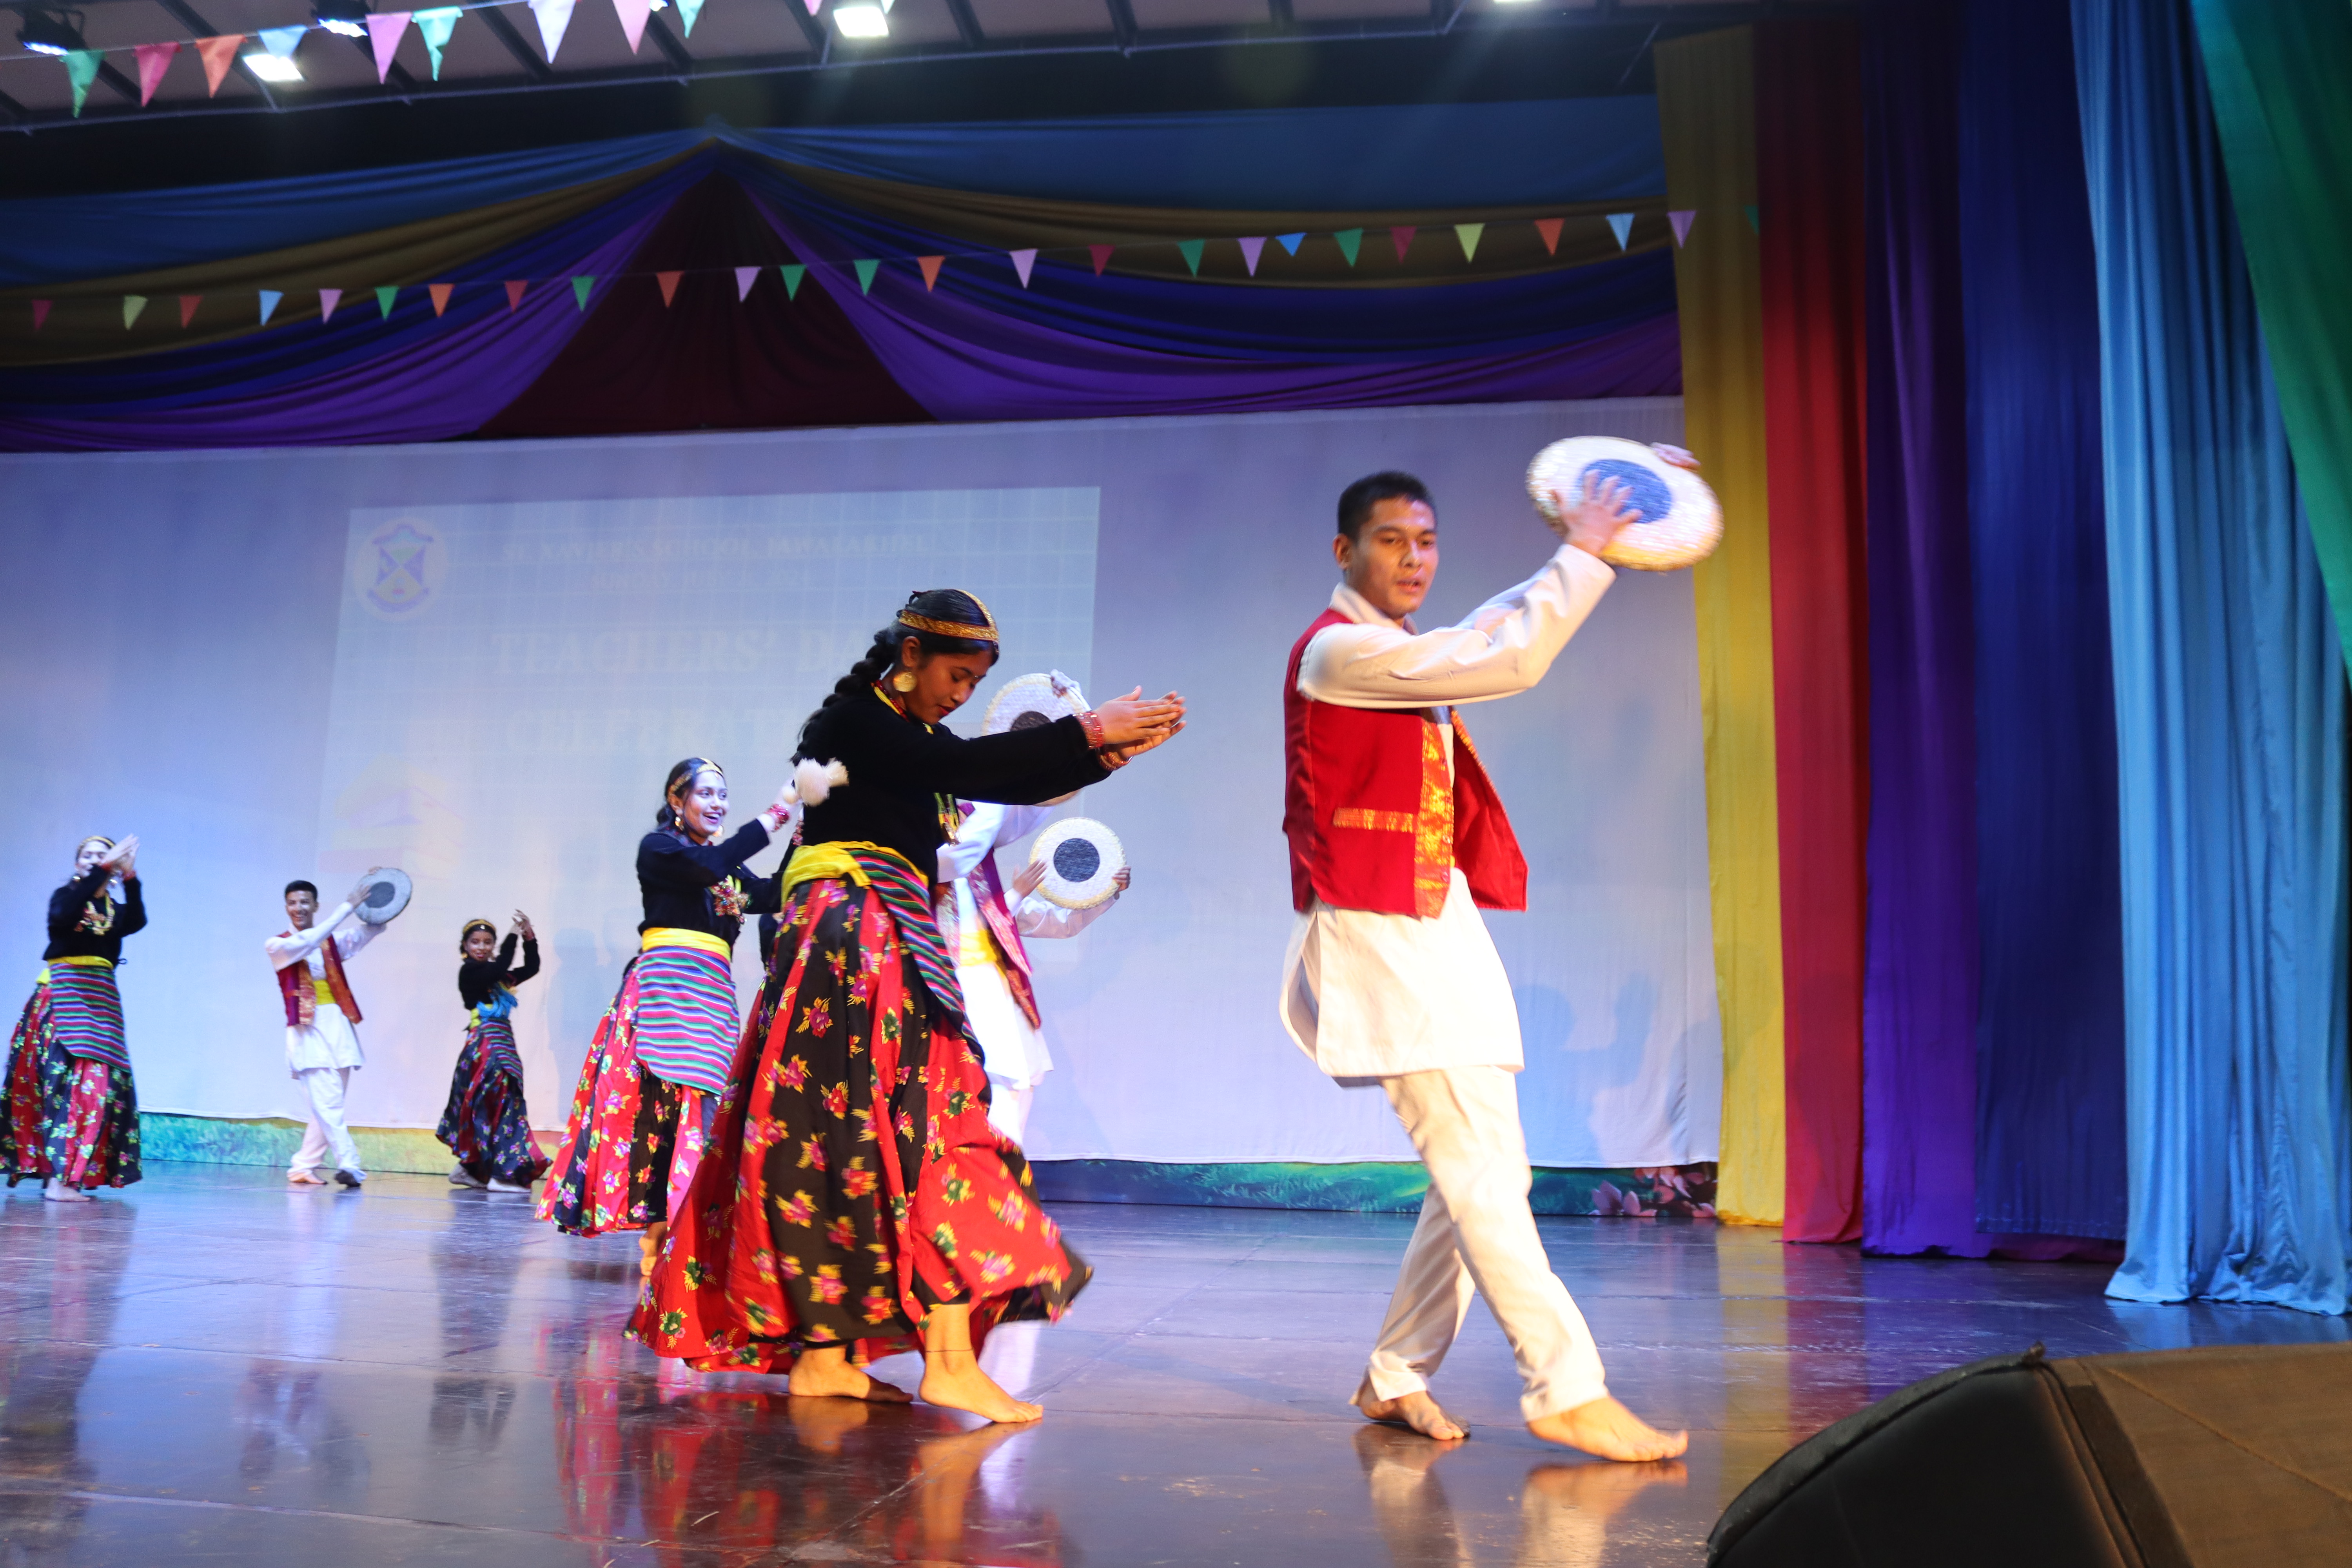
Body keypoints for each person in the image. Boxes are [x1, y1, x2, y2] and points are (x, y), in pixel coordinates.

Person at [633, 588, 1183, 1425]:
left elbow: (988, 772)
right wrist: (1087, 733)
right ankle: (924, 1361)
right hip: (855, 939)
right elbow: (966, 770)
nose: (961, 694)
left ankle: (832, 1357)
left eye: (975, 683)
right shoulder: (853, 722)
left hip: (874, 935)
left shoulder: (908, 737)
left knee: (853, 1138)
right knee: (912, 1130)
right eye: (955, 675)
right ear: (912, 654)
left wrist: (1101, 755)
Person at [1279, 460, 1694, 1462]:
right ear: (1344, 551)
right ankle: (1565, 1385)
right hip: (1381, 935)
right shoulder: (1338, 652)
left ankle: (1396, 1373)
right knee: (1476, 1167)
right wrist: (1584, 552)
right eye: (1391, 540)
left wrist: (1625, 521)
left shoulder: (1395, 646)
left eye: (1426, 541)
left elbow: (1486, 629)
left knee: (1484, 1170)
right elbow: (1504, 654)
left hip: (1434, 923)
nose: (1414, 558)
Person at [539, 757, 802, 1272]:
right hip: (665, 991)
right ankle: (663, 1232)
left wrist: (802, 836)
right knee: (656, 1113)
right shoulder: (660, 849)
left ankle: (679, 1232)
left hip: (711, 996)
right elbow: (708, 867)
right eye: (706, 793)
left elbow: (771, 893)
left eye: (723, 795)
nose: (717, 803)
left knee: (705, 1112)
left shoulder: (722, 866)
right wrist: (779, 812)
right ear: (677, 800)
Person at [936, 802, 1132, 1143]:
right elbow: (970, 929)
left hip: (1000, 993)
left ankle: (1008, 1170)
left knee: (1019, 1084)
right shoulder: (924, 888)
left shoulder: (983, 885)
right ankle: (993, 1170)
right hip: (960, 998)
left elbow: (1060, 923)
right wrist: (1016, 894)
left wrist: (1105, 891)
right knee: (982, 1087)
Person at [2, 834, 147, 1200]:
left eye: (103, 855)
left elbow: (137, 920)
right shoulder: (65, 898)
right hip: (62, 997)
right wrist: (105, 868)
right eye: (88, 855)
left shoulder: (113, 911)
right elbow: (63, 917)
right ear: (77, 863)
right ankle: (59, 1180)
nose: (95, 859)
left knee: (99, 1086)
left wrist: (129, 877)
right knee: (60, 1084)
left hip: (101, 1000)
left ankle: (67, 1177)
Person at [269, 875, 389, 1189]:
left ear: (316, 906)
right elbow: (309, 941)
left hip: (338, 1027)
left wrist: (380, 890)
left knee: (327, 1105)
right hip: (307, 1031)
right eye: (292, 903)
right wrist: (346, 907)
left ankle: (302, 1166)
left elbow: (371, 930)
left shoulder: (330, 942)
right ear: (286, 907)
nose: (299, 908)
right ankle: (350, 1164)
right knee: (328, 1104)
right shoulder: (279, 946)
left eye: (304, 902)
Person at [440, 912, 548, 1193]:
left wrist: (529, 937)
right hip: (485, 1046)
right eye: (475, 942)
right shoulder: (470, 973)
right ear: (465, 946)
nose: (482, 947)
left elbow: (532, 967)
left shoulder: (497, 978)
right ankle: (499, 1175)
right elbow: (500, 968)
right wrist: (512, 936)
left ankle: (471, 1169)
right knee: (498, 1101)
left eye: (488, 942)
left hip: (501, 1043)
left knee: (495, 1102)